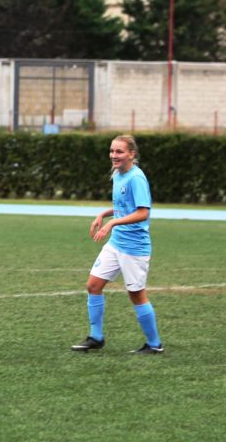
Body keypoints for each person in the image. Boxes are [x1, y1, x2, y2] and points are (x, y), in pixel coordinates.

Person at [71, 134, 164, 355]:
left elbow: (143, 212)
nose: (114, 155)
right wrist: (104, 214)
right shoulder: (118, 175)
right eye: (112, 151)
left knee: (137, 295)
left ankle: (154, 344)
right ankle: (96, 337)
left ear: (132, 154)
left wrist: (112, 223)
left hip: (134, 248)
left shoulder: (136, 178)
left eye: (119, 152)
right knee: (93, 285)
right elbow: (124, 206)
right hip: (116, 243)